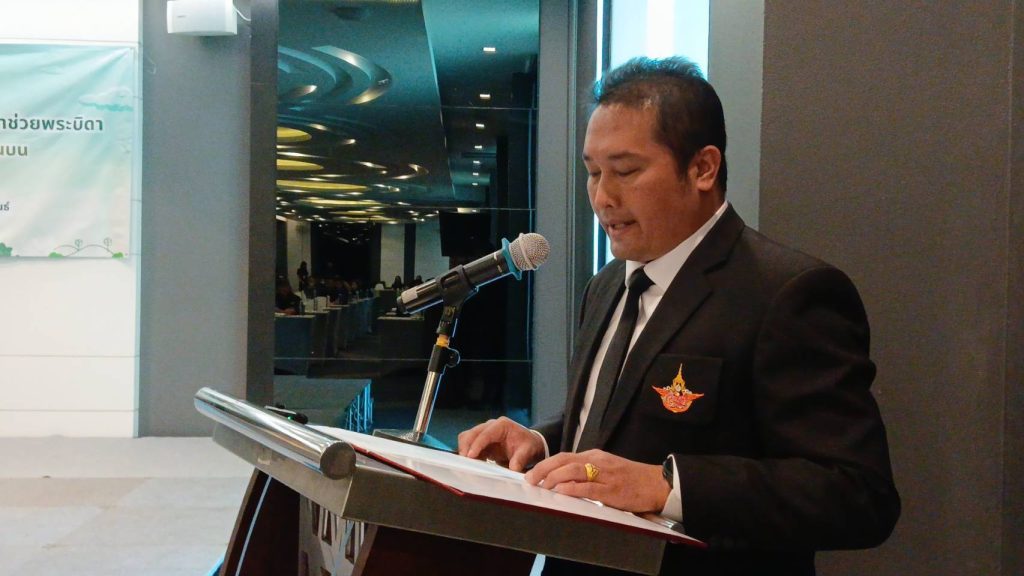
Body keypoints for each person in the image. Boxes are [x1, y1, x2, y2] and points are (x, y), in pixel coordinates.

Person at [457, 57, 899, 575]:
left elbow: (856, 494)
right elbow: (616, 428)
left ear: (703, 168)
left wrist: (669, 486)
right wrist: (541, 443)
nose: (603, 197)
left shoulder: (787, 293)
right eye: (593, 173)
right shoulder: (606, 285)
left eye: (626, 171)